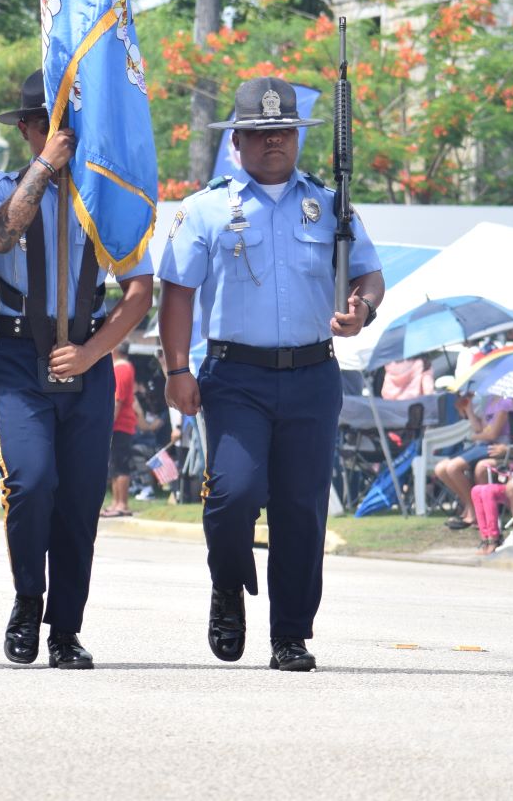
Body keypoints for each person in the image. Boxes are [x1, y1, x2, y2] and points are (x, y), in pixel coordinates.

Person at [159, 76, 385, 672]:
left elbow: (368, 274)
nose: (273, 142)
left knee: (301, 508)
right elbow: (177, 294)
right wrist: (177, 369)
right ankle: (228, 587)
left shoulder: (331, 204)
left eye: (283, 131)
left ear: (298, 137)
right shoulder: (204, 208)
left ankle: (290, 633)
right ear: (237, 138)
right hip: (235, 375)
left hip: (313, 374)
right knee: (233, 493)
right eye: (259, 133)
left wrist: (361, 308)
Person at [0, 71, 154, 670]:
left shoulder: (107, 196)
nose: (63, 135)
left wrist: (95, 351)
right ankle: (28, 598)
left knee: (78, 501)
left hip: (88, 354)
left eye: (70, 124)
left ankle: (65, 628)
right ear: (25, 129)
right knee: (32, 482)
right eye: (47, 124)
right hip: (22, 355)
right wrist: (45, 168)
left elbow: (139, 289)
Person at [434, 392, 513, 531]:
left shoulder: (506, 402)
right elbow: (479, 428)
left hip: (495, 446)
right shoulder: (490, 400)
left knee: (453, 468)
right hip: (483, 445)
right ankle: (470, 506)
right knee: (441, 469)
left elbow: (492, 435)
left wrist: (474, 437)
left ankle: (473, 511)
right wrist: (468, 408)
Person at [104, 341, 139, 517]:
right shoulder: (122, 368)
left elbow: (118, 399)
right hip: (119, 424)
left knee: (120, 464)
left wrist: (108, 424)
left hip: (121, 424)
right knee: (114, 465)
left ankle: (122, 504)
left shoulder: (122, 369)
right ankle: (115, 502)